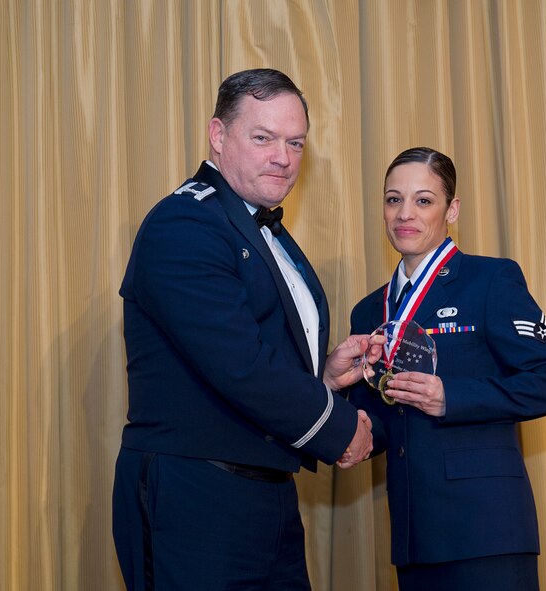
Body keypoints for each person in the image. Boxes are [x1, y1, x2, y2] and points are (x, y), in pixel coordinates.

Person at [112, 68, 378, 591]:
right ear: (218, 135)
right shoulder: (184, 224)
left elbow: (257, 352)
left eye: (295, 142)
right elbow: (239, 365)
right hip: (197, 495)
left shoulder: (255, 224)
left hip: (266, 492)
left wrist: (323, 380)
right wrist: (340, 429)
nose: (282, 156)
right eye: (263, 138)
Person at [347, 147, 546, 590]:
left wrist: (450, 397)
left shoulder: (491, 280)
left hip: (487, 530)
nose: (405, 214)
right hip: (414, 535)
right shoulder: (368, 311)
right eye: (393, 199)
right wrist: (348, 435)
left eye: (423, 200)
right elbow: (377, 415)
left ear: (451, 209)